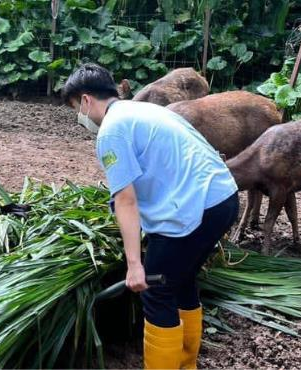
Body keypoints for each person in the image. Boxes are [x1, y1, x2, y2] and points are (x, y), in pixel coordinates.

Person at [61, 64, 239, 369]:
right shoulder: (144, 111)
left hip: (196, 207)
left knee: (157, 289)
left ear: (86, 100)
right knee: (180, 279)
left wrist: (134, 265)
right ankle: (186, 363)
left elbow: (126, 200)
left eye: (77, 107)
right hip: (223, 197)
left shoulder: (112, 131)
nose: (80, 116)